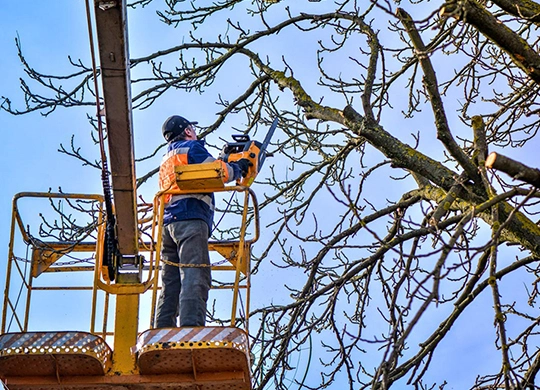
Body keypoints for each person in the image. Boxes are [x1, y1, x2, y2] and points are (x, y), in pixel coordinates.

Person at [155, 115, 251, 328]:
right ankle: (191, 328)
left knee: (170, 282)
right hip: (190, 219)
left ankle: (162, 329)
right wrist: (239, 167)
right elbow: (219, 172)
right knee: (195, 273)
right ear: (188, 131)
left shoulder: (167, 158)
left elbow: (203, 173)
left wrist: (222, 161)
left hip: (168, 223)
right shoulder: (191, 149)